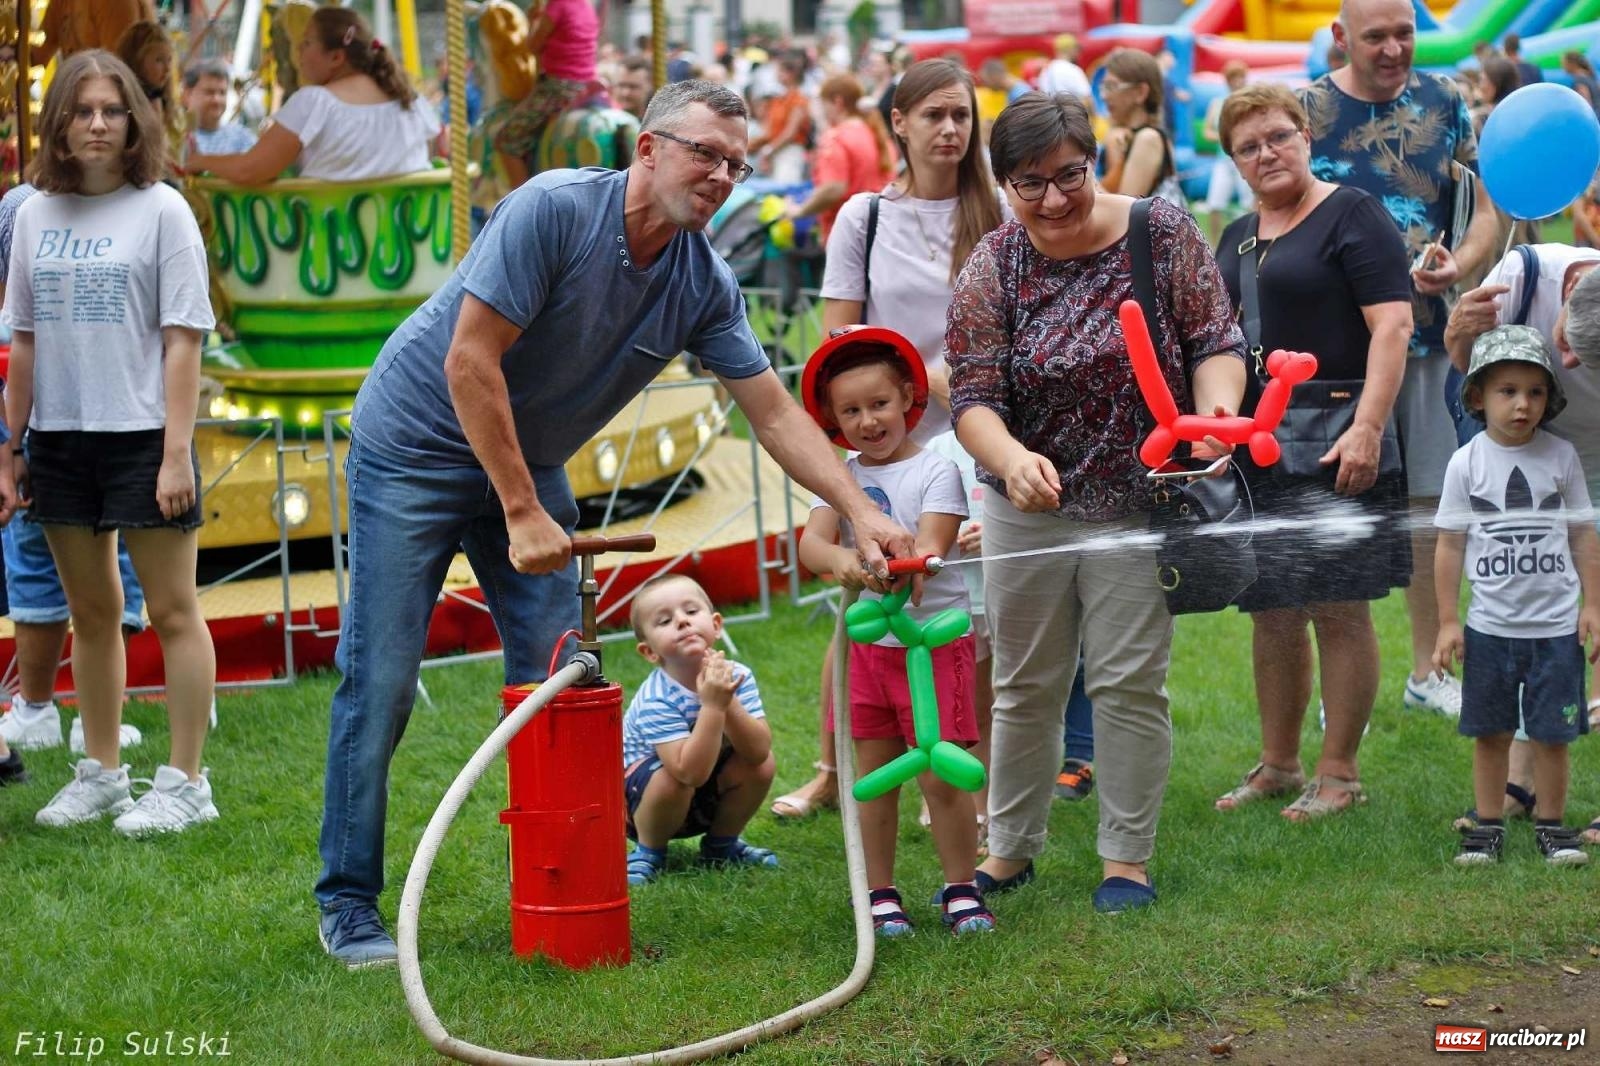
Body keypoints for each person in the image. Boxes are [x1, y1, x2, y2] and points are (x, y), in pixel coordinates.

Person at [313, 79, 915, 969]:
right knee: (385, 677)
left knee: (566, 683)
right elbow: (469, 360)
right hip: (416, 443)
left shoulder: (703, 279)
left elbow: (776, 415)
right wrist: (520, 509)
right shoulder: (553, 212)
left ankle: (568, 885)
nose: (721, 176)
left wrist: (864, 512)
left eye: (737, 165)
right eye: (705, 153)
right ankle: (349, 905)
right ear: (647, 148)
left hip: (529, 456)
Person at [948, 92, 1246, 913]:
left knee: (1127, 684)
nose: (1052, 199)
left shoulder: (1160, 231)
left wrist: (1215, 417)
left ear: (1096, 158)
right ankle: (1008, 848)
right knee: (1026, 685)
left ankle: (1127, 860)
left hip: (1137, 499)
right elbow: (972, 395)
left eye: (1068, 176)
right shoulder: (995, 263)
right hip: (1027, 505)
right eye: (1028, 184)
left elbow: (1214, 340)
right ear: (1004, 183)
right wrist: (1010, 461)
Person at [771, 59, 1005, 823]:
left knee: (968, 616)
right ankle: (833, 770)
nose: (950, 130)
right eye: (934, 114)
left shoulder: (999, 208)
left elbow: (1017, 321)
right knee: (862, 606)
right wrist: (890, 399)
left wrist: (952, 385)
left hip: (977, 440)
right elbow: (840, 335)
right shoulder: (864, 216)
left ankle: (961, 776)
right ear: (897, 122)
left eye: (961, 116)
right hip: (883, 442)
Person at [0, 49, 217, 836]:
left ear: (135, 121)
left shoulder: (161, 209)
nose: (97, 123)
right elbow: (22, 340)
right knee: (90, 612)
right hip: (58, 440)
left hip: (144, 436)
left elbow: (183, 340)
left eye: (113, 110)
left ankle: (187, 781)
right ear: (58, 121)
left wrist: (173, 452)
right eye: (83, 109)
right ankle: (102, 773)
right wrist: (9, 446)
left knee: (172, 609)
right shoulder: (30, 214)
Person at [1210, 83, 1414, 820]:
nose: (1266, 153)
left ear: (1304, 134)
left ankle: (1341, 773)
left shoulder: (1353, 213)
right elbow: (1220, 342)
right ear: (1233, 160)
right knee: (1272, 608)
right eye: (1248, 146)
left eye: (1277, 136)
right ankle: (1279, 764)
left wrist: (1367, 427)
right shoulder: (1234, 236)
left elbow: (1392, 326)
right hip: (1261, 445)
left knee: (1338, 605)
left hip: (1339, 430)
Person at [1305, 0, 1502, 720]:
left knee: (1426, 506)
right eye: (1375, 37)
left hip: (1427, 342)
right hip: (1333, 355)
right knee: (1335, 512)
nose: (1393, 50)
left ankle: (1428, 671)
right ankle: (1343, 683)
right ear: (1340, 37)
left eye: (1404, 34)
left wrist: (1464, 263)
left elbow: (1487, 204)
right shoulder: (1308, 110)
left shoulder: (1444, 100)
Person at [798, 327, 994, 936]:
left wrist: (897, 565)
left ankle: (961, 888)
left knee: (940, 774)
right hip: (867, 653)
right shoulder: (839, 477)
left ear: (908, 396)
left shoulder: (937, 472)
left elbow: (932, 546)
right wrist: (842, 563)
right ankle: (881, 893)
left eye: (879, 404)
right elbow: (813, 544)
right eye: (850, 411)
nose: (868, 421)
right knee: (874, 776)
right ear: (832, 418)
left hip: (931, 648)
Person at [1443, 247, 1600, 837]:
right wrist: (1459, 334)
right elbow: (1468, 372)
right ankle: (1517, 787)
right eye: (1569, 351)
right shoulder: (1520, 278)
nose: (1570, 362)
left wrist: (1591, 601)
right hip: (1545, 464)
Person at [0, 181, 147, 759]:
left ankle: (46, 707)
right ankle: (80, 713)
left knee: (58, 571)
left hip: (53, 439)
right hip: (81, 438)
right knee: (109, 570)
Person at [622, 574, 778, 884]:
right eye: (664, 621)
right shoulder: (657, 697)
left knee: (762, 765)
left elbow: (758, 751)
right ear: (649, 652)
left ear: (716, 625)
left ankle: (721, 846)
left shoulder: (738, 676)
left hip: (703, 791)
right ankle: (648, 851)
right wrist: (713, 706)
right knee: (669, 778)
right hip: (643, 806)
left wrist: (727, 700)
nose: (682, 621)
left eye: (691, 612)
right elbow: (687, 773)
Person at [187, 7, 438, 184]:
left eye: (306, 43)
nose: (298, 51)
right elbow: (435, 155)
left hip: (329, 248)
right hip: (406, 251)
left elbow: (250, 170)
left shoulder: (316, 102)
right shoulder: (412, 101)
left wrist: (198, 161)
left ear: (336, 57)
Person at [492, 0, 602, 187]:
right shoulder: (586, 5)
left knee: (506, 140)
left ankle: (523, 199)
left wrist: (533, 20)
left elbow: (533, 45)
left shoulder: (557, 5)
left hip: (558, 87)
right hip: (585, 84)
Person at [783, 74, 894, 240]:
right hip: (879, 230)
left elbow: (833, 188)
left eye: (824, 104)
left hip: (846, 234)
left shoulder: (836, 138)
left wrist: (799, 211)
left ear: (837, 102)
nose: (822, 111)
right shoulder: (876, 133)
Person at [1099, 49, 1181, 203]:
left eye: (1111, 86)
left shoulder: (1148, 138)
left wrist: (1086, 179)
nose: (1104, 96)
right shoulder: (1132, 136)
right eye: (1103, 87)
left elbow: (1125, 210)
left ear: (1141, 92)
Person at [1202, 61, 1253, 246]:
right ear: (1227, 81)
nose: (1238, 82)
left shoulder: (1249, 102)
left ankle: (1249, 243)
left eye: (1241, 77)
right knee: (1214, 203)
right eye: (1234, 78)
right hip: (1223, 160)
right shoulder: (1217, 103)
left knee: (1249, 203)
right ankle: (1214, 246)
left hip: (1244, 159)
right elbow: (1206, 132)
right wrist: (1224, 137)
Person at [114, 20, 182, 156]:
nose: (168, 69)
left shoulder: (161, 99)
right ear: (137, 62)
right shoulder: (123, 103)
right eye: (159, 60)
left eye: (169, 60)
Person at [748, 56, 810, 184]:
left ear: (791, 74)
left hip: (790, 152)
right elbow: (769, 132)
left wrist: (769, 150)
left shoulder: (799, 100)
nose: (777, 75)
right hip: (775, 152)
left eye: (780, 71)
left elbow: (790, 133)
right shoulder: (778, 100)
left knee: (785, 190)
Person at [182, 59, 257, 156]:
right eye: (209, 92)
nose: (216, 100)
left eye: (222, 93)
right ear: (188, 95)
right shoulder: (174, 139)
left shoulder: (242, 138)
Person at [1038, 34, 1093, 110]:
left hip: (1051, 118)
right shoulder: (1073, 69)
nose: (1079, 53)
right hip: (1072, 117)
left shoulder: (1045, 71)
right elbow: (1087, 99)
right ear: (1070, 49)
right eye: (1077, 49)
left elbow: (1042, 97)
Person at [611, 55, 653, 120]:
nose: (625, 93)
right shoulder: (604, 120)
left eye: (633, 87)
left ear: (649, 86)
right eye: (621, 85)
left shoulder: (658, 123)